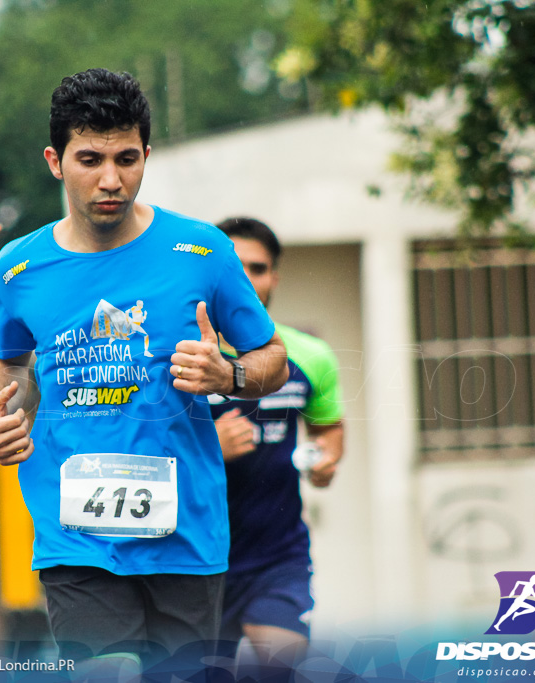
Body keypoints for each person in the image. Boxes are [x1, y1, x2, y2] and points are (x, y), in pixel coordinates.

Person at [0, 68, 288, 680]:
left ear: (147, 154)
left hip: (187, 534)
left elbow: (272, 358)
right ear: (55, 161)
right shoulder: (20, 267)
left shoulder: (202, 251)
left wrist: (228, 374)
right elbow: (1, 358)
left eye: (126, 158)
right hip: (76, 535)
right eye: (89, 159)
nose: (111, 179)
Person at [210, 217, 345, 673]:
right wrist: (212, 448)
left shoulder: (309, 355)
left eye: (259, 267)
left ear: (274, 277)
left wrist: (327, 460)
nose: (248, 279)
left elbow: (328, 427)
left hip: (277, 556)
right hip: (194, 558)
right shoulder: (177, 355)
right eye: (235, 267)